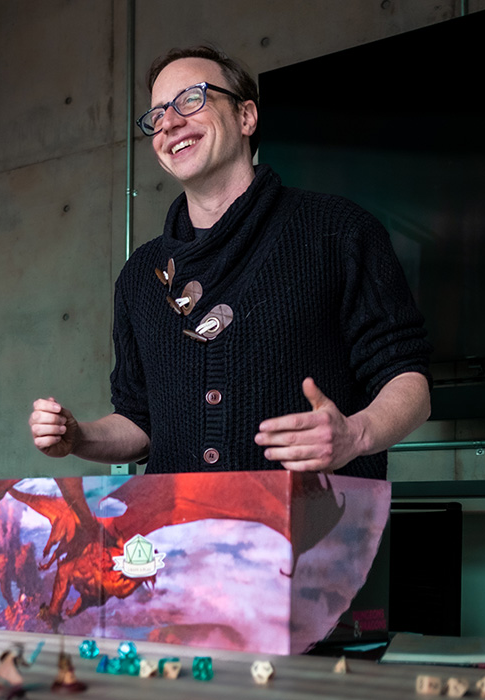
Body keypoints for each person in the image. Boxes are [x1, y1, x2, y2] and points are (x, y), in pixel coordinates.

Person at [29, 45, 431, 478]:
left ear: (246, 117)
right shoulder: (140, 276)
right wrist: (79, 437)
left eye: (191, 99)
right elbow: (140, 421)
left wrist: (357, 434)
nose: (169, 122)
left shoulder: (340, 232)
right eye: (158, 114)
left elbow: (409, 383)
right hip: (178, 535)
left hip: (318, 532)